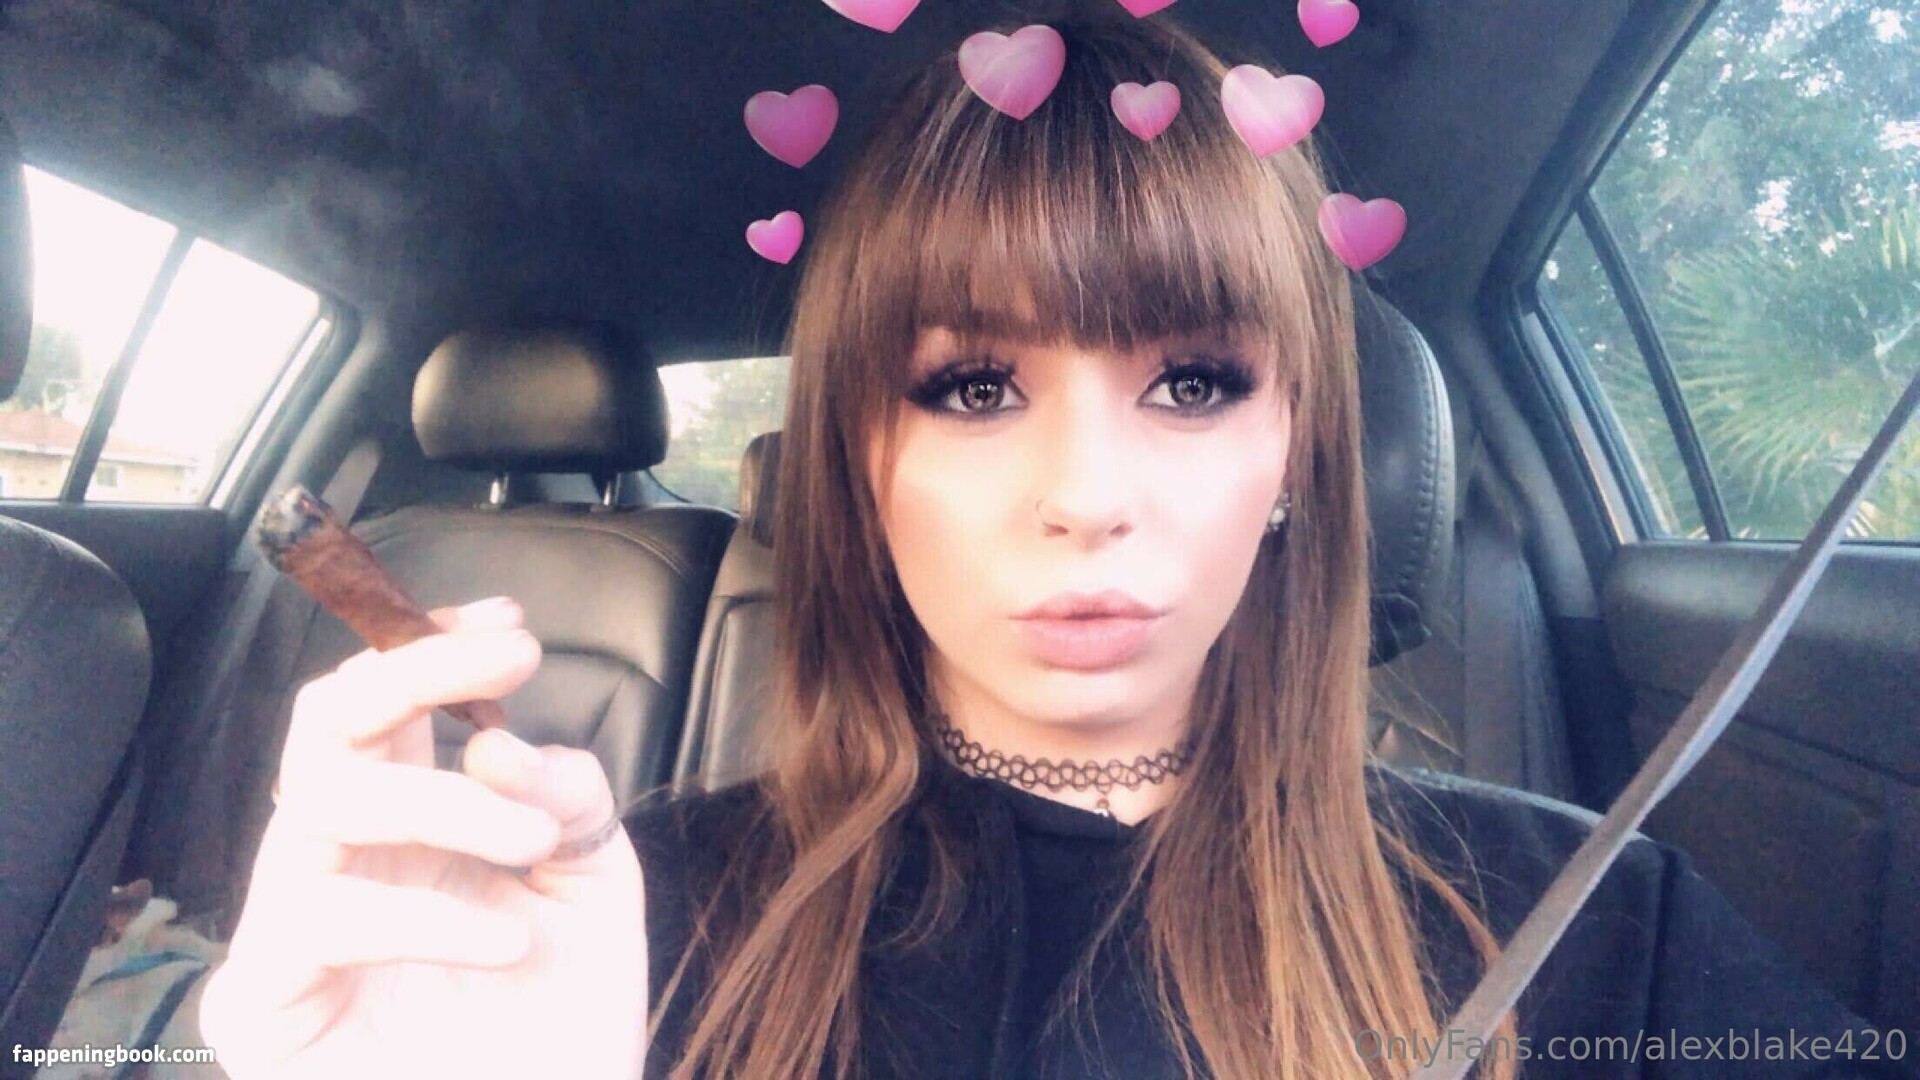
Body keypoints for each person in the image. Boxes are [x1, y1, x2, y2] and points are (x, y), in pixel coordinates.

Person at [197, 8, 1913, 1079]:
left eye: (1192, 382)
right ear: (858, 461)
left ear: (1299, 453)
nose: (1087, 494)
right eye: (971, 389)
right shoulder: (611, 929)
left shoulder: (1596, 929)